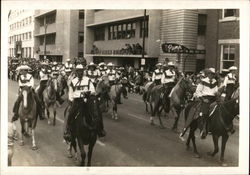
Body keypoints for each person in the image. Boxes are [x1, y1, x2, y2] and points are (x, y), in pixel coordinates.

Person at [64, 64, 106, 141]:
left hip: (87, 100)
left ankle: (100, 130)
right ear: (76, 72)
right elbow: (70, 93)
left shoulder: (87, 80)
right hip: (77, 101)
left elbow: (93, 90)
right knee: (70, 113)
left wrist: (88, 93)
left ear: (83, 72)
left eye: (81, 71)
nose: (80, 72)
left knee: (97, 112)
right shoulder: (73, 81)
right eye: (78, 71)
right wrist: (73, 99)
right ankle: (68, 131)